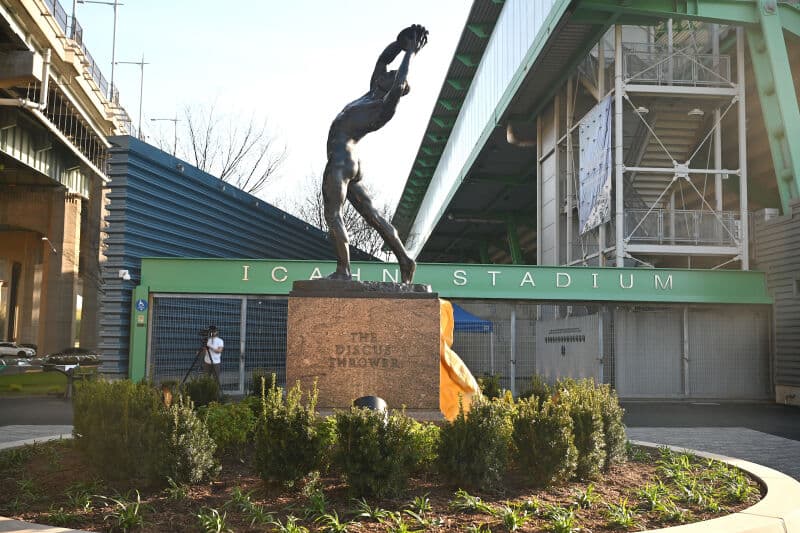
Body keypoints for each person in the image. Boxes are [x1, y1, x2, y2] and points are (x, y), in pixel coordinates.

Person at [322, 24, 428, 284]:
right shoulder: (371, 92)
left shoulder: (384, 106)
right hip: (350, 160)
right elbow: (382, 59)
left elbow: (400, 80)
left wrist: (410, 54)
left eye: (392, 74)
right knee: (373, 215)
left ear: (395, 86)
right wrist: (400, 43)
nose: (388, 72)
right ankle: (405, 259)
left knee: (333, 214)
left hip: (342, 160)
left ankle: (343, 271)